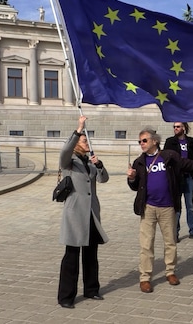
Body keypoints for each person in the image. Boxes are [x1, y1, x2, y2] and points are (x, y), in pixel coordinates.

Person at [127, 128, 193, 293]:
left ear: (154, 141)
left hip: (167, 207)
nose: (141, 144)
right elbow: (136, 187)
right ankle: (145, 278)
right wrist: (131, 178)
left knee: (170, 242)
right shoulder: (139, 162)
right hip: (148, 208)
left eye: (144, 140)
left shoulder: (169, 157)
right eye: (139, 141)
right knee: (146, 244)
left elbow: (192, 165)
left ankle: (170, 272)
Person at [57, 115, 109, 309]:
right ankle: (66, 297)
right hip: (74, 214)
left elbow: (104, 179)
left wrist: (100, 165)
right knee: (71, 256)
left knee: (91, 254)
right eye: (84, 140)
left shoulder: (88, 163)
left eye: (87, 139)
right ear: (77, 144)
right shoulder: (69, 162)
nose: (87, 142)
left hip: (91, 214)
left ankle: (92, 289)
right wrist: (78, 129)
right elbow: (64, 150)